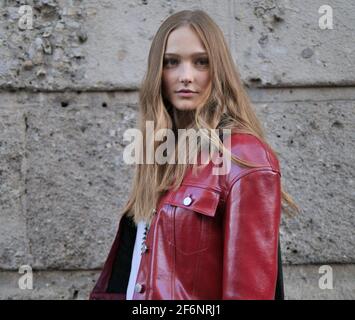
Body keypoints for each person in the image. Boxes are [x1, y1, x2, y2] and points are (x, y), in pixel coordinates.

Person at [89, 9, 299, 300]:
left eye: (201, 62)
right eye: (172, 62)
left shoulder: (245, 159)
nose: (185, 76)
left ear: (218, 70)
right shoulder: (160, 157)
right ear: (157, 73)